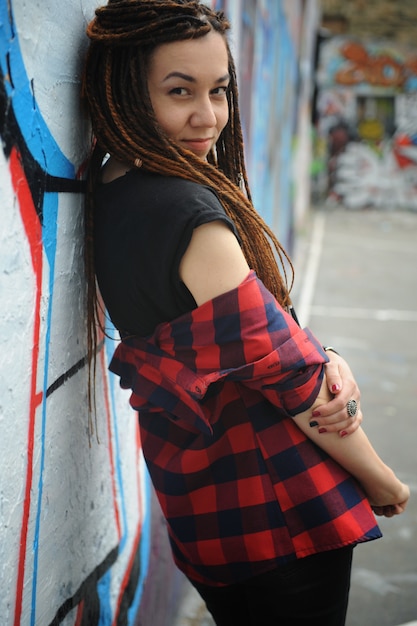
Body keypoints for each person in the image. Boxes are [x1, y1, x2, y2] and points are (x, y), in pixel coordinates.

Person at [81, 2, 409, 624]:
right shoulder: (187, 216)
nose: (208, 117)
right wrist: (381, 480)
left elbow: (252, 345)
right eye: (180, 92)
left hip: (204, 503)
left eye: (219, 91)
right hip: (278, 510)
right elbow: (292, 378)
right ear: (122, 92)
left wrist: (326, 356)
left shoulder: (114, 186)